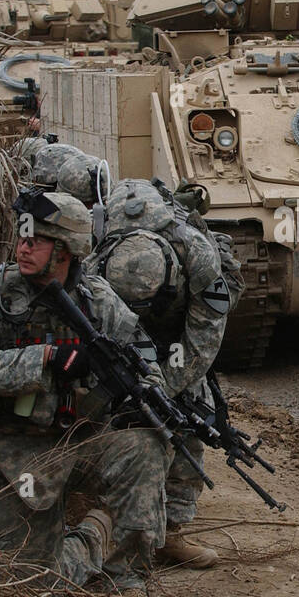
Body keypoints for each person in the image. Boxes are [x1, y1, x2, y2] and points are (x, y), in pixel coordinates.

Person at [0, 187, 174, 597]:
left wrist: (141, 393)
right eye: (22, 236)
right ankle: (93, 535)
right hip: (11, 449)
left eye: (37, 240)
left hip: (78, 440)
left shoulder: (97, 298)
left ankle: (126, 582)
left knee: (146, 446)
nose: (24, 246)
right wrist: (48, 358)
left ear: (67, 250)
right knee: (35, 585)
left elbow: (144, 357)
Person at [90, 179, 238, 569]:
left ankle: (171, 533)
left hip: (177, 333)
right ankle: (105, 519)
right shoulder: (92, 260)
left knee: (187, 415)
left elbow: (205, 334)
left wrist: (166, 388)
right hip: (118, 331)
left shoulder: (197, 256)